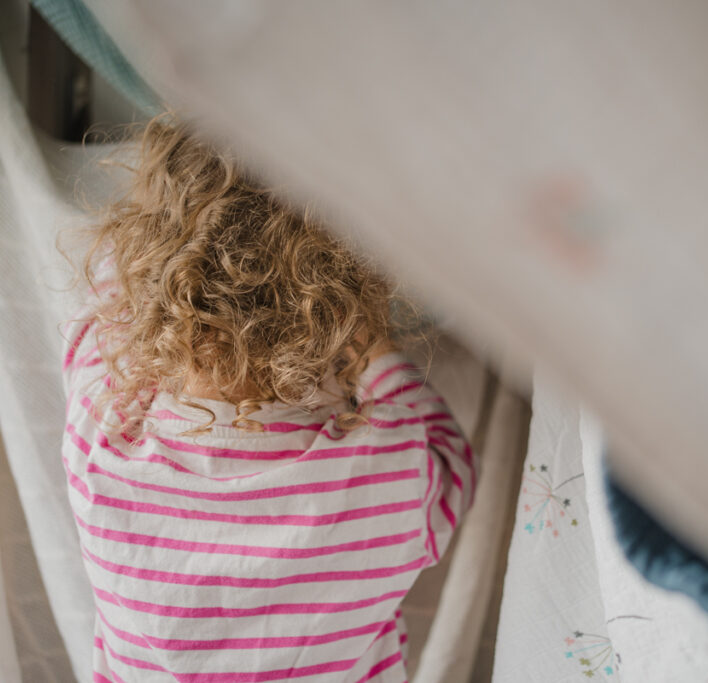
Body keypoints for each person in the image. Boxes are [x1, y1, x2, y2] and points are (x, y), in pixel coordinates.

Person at [60, 115, 476, 682]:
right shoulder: (387, 463)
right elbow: (454, 467)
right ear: (339, 301)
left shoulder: (102, 436)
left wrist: (164, 242)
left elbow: (99, 310)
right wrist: (370, 349)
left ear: (149, 267)